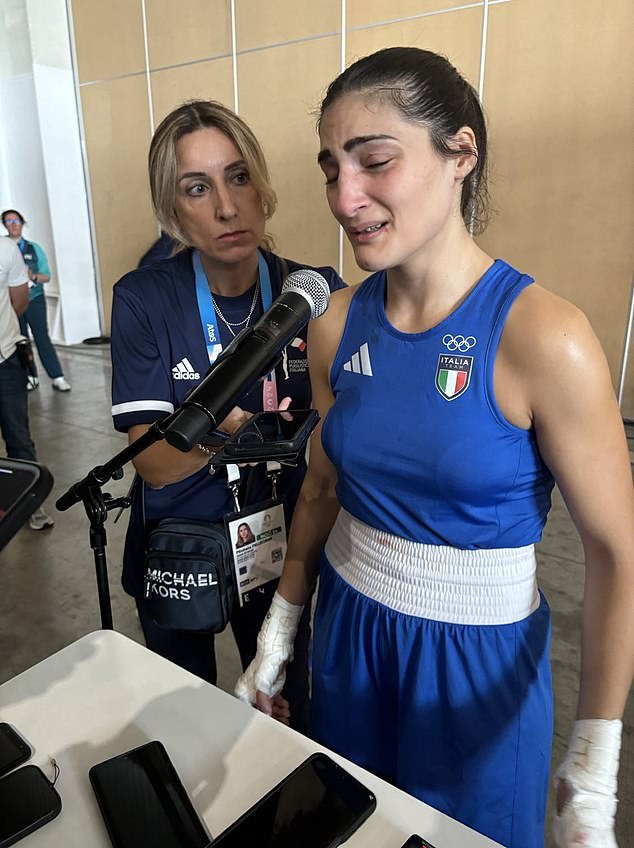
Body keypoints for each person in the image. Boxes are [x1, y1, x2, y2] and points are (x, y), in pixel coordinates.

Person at [235, 47, 634, 848]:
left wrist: (594, 762)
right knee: (347, 828)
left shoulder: (544, 336)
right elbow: (321, 489)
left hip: (476, 673)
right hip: (349, 638)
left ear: (461, 155)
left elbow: (616, 556)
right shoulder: (336, 324)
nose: (346, 199)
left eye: (375, 161)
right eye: (331, 169)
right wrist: (280, 632)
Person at [110, 100, 345, 731]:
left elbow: (337, 448)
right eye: (197, 187)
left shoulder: (315, 291)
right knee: (184, 718)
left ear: (262, 186)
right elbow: (155, 464)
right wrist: (245, 439)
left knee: (283, 720)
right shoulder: (145, 298)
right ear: (172, 210)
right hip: (181, 544)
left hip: (283, 548)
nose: (225, 205)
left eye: (238, 176)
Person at [0, 236, 55, 530]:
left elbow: (19, 302)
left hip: (6, 358)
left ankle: (30, 507)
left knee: (19, 437)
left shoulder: (6, 250)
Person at [1, 210, 71, 393]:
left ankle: (57, 376)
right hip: (11, 302)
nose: (13, 224)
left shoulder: (33, 248)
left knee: (42, 337)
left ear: (22, 223)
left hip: (34, 299)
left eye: (17, 221)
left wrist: (32, 275)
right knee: (21, 340)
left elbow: (46, 276)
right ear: (4, 225)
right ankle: (30, 376)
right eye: (9, 221)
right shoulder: (5, 247)